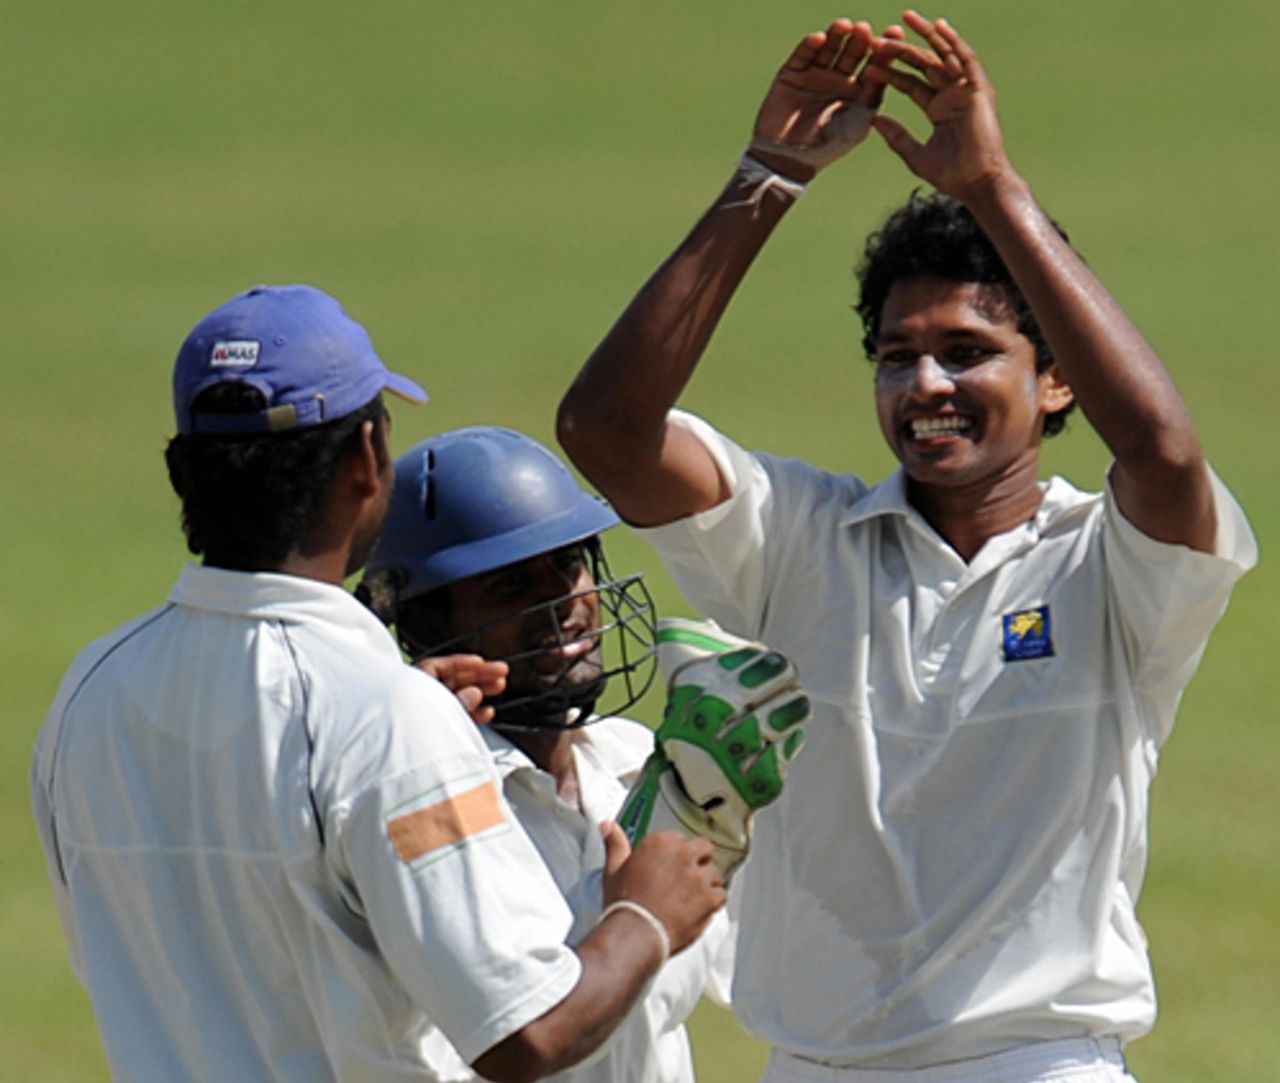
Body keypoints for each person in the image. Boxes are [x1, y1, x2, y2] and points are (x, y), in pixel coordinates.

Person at [557, 13, 1257, 1083]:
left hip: (1037, 1063)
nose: (925, 385)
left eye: (967, 353)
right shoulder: (794, 539)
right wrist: (770, 172)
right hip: (812, 1064)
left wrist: (992, 190)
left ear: (1054, 378)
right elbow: (605, 433)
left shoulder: (1112, 567)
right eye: (896, 357)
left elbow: (1162, 454)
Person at [30, 285, 727, 1083]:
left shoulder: (89, 692)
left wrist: (401, 751)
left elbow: (140, 947)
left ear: (184, 470)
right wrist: (644, 914)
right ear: (367, 458)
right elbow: (525, 1033)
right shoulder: (385, 715)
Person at [357, 425, 805, 1083]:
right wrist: (640, 918)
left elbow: (784, 981)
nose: (565, 602)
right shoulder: (424, 803)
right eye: (512, 586)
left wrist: (760, 826)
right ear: (426, 625)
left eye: (569, 563)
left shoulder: (646, 764)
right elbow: (517, 1035)